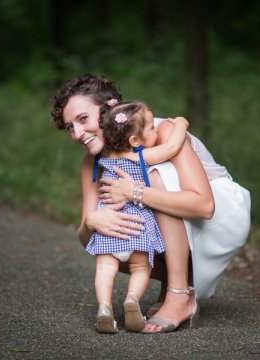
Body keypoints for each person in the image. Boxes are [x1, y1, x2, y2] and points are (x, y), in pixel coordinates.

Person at [51, 74, 251, 333]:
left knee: (154, 176)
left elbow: (204, 206)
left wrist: (134, 192)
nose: (77, 134)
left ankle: (180, 294)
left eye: (83, 119)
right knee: (105, 242)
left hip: (222, 216)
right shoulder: (92, 163)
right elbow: (85, 237)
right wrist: (92, 220)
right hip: (189, 226)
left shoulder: (158, 132)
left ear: (110, 109)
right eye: (70, 127)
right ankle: (172, 284)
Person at [88, 99, 189, 333]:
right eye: (152, 128)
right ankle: (132, 299)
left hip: (109, 225)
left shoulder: (103, 159)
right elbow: (172, 147)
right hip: (136, 227)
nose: (155, 130)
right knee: (141, 269)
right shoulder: (139, 157)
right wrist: (181, 123)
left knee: (104, 269)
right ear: (134, 141)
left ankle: (104, 308)